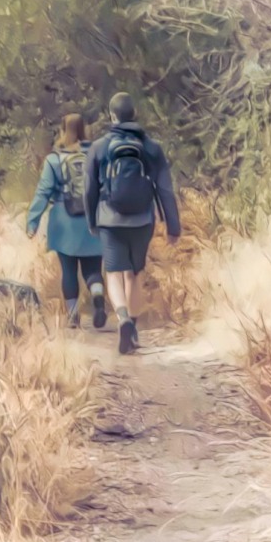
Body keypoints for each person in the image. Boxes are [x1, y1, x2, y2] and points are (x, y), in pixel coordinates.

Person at [83, 92, 180, 354]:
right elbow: (165, 190)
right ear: (134, 114)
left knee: (113, 273)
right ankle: (133, 329)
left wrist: (92, 220)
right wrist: (173, 226)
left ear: (112, 116)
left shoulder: (99, 147)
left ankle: (123, 318)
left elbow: (89, 189)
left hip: (110, 219)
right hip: (142, 220)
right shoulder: (151, 147)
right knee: (135, 273)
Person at [26, 112, 107, 328]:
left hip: (64, 221)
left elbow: (43, 191)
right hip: (93, 219)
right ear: (84, 130)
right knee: (93, 270)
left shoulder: (54, 159)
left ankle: (72, 315)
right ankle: (98, 298)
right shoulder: (96, 155)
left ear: (62, 131)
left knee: (69, 270)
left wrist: (32, 222)